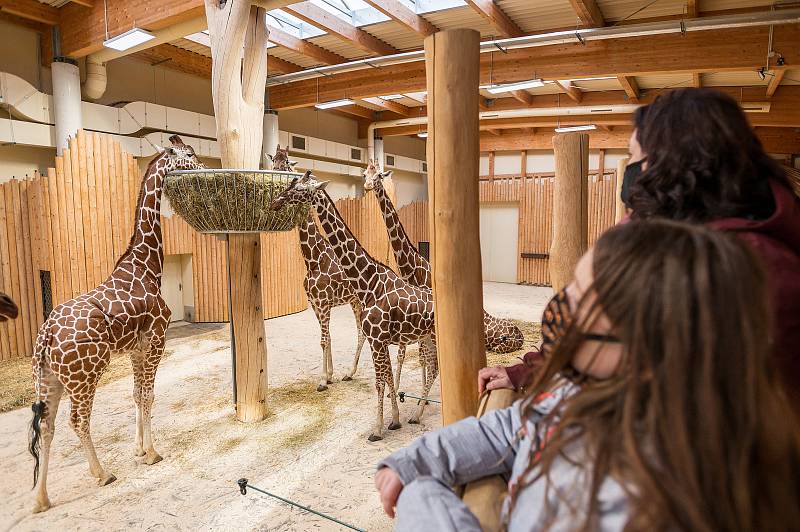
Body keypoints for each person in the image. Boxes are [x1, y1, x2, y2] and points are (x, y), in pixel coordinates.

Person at [376, 220, 800, 531]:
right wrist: (412, 466)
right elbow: (507, 428)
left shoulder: (646, 497)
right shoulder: (579, 389)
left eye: (583, 301)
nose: (561, 308)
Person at [480, 88, 800, 408]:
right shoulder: (653, 229)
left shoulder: (758, 269)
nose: (630, 167)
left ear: (671, 161)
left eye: (634, 155)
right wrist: (526, 372)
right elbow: (588, 326)